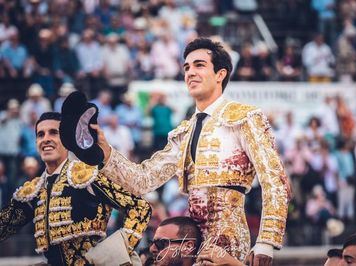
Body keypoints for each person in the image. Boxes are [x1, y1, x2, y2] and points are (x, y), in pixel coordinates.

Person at [93, 37, 290, 264]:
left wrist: (266, 241)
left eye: (199, 65)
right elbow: (143, 180)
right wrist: (105, 151)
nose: (190, 72)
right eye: (186, 67)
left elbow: (274, 179)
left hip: (229, 241)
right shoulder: (184, 132)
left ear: (220, 74)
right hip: (191, 243)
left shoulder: (244, 117)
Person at [0, 112, 152, 265]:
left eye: (53, 133)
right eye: (40, 135)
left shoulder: (87, 175)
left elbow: (140, 207)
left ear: (66, 139)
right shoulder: (34, 190)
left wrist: (110, 256)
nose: (46, 139)